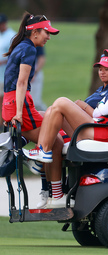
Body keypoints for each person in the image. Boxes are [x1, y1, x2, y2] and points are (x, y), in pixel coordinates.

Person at [24, 44, 108, 208]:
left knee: (61, 102)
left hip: (106, 131)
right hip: (99, 128)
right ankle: (44, 160)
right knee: (48, 113)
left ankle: (42, 152)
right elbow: (101, 109)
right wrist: (97, 107)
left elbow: (102, 111)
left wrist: (93, 107)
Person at [1, 12, 62, 207]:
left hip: (11, 104)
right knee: (58, 142)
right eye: (46, 32)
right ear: (35, 32)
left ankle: (35, 152)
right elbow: (21, 82)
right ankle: (54, 194)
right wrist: (18, 113)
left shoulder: (22, 46)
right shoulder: (29, 50)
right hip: (19, 104)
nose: (48, 37)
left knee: (53, 123)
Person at [0, 14, 16, 129]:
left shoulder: (11, 36)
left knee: (3, 101)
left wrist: (3, 62)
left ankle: (3, 125)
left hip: (5, 75)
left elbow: (14, 56)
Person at [30, 46, 47, 111]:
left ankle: (48, 116)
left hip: (34, 72)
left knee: (35, 102)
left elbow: (41, 59)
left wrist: (34, 73)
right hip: (23, 73)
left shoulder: (36, 42)